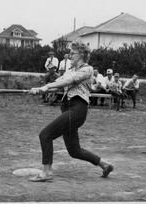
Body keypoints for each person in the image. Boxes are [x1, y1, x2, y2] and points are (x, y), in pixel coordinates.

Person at [28, 42, 114, 182]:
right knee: (74, 151)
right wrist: (40, 89)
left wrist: (47, 86)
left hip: (77, 109)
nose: (70, 56)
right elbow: (59, 82)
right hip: (67, 109)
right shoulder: (70, 70)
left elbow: (69, 81)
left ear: (82, 55)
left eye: (73, 53)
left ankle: (47, 172)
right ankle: (104, 164)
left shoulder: (87, 69)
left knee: (45, 135)